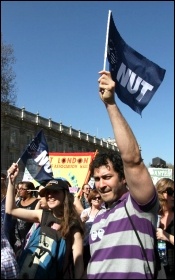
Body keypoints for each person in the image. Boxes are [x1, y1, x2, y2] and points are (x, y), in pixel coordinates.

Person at [85, 70, 160, 279]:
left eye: (107, 177)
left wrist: (110, 104)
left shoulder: (138, 207)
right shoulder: (97, 217)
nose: (101, 185)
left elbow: (133, 159)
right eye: (97, 179)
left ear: (124, 178)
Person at [6, 164, 85, 279]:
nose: (50, 196)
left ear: (65, 195)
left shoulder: (73, 225)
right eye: (47, 193)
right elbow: (11, 210)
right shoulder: (42, 215)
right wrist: (11, 181)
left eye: (55, 192)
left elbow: (78, 262)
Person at [11, 181, 38, 257]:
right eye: (18, 189)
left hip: (29, 239)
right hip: (16, 240)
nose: (19, 191)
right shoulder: (17, 202)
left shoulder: (37, 202)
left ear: (29, 191)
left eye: (22, 189)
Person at [80, 189, 104, 269]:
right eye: (95, 198)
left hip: (96, 244)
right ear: (90, 199)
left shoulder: (104, 212)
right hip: (84, 244)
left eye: (99, 198)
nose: (97, 199)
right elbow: (80, 229)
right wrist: (82, 221)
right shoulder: (85, 211)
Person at [156, 178, 174, 279]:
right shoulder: (152, 214)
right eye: (171, 192)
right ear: (161, 193)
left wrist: (166, 235)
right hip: (156, 270)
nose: (174, 196)